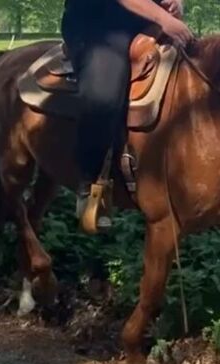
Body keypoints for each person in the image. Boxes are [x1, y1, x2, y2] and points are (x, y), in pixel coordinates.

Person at [61, 0, 193, 231]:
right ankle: (90, 180)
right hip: (98, 26)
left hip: (147, 23)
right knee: (103, 98)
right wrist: (164, 19)